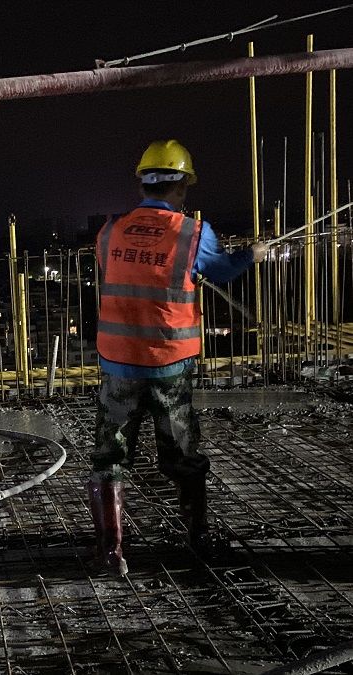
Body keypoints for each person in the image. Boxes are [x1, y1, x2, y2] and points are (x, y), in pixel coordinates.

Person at [91, 140, 269, 575]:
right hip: (169, 365)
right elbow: (222, 270)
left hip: (117, 364)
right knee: (182, 455)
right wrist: (253, 255)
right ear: (182, 186)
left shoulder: (110, 232)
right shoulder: (192, 233)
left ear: (143, 184)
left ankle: (111, 552)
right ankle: (197, 538)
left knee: (110, 459)